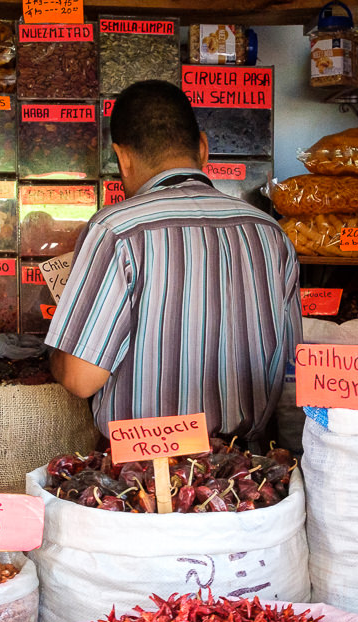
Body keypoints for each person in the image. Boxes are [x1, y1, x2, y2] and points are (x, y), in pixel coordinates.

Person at [45, 79, 301, 444]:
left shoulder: (116, 230)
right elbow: (292, 368)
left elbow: (80, 379)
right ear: (203, 148)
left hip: (146, 478)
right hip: (248, 477)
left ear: (122, 157)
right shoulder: (270, 233)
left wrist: (62, 350)